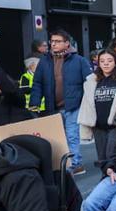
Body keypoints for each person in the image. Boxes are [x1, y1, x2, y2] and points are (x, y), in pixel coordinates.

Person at [29, 29, 92, 175]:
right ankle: (61, 163)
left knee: (71, 135)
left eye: (58, 41)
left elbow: (89, 83)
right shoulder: (44, 61)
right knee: (57, 136)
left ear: (67, 43)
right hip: (52, 106)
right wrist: (34, 102)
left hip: (73, 105)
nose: (53, 44)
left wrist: (87, 103)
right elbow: (37, 83)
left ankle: (76, 163)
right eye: (52, 41)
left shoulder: (79, 61)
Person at [78, 50, 116, 170]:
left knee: (112, 157)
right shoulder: (92, 80)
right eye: (102, 61)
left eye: (109, 61)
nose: (106, 64)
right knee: (102, 159)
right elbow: (86, 105)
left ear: (115, 62)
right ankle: (105, 180)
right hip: (98, 126)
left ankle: (112, 181)